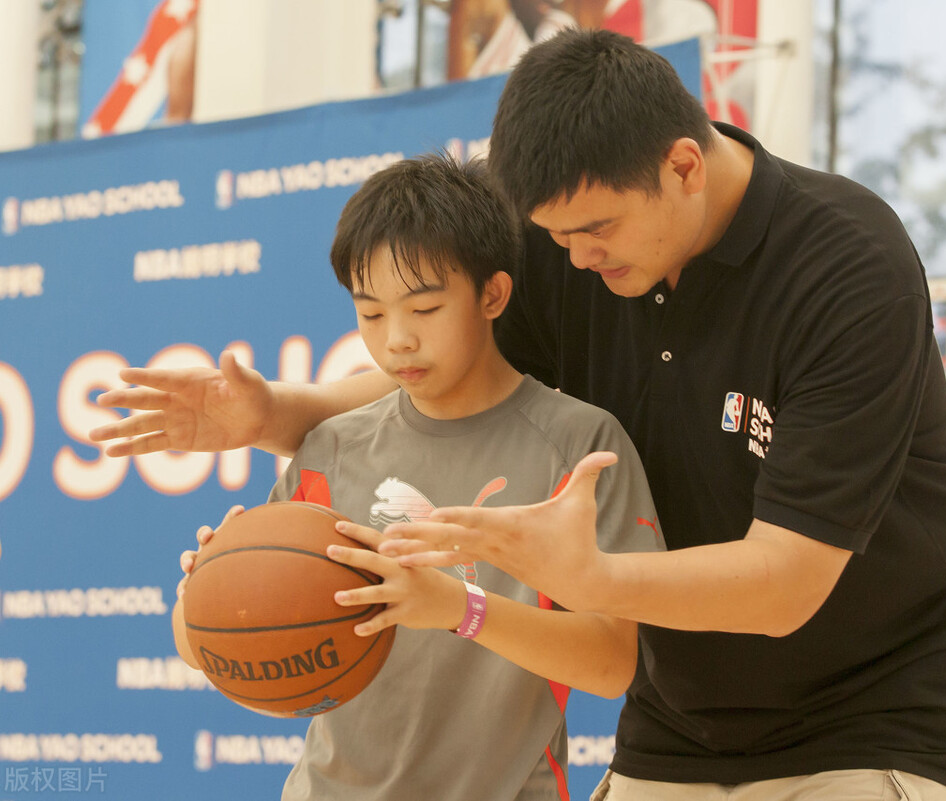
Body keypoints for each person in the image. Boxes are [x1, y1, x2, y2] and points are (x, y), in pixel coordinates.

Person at [92, 30, 946, 801]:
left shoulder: (844, 266)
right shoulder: (560, 240)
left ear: (684, 166)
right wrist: (278, 411)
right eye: (553, 238)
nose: (575, 261)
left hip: (890, 692)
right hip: (686, 709)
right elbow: (444, 365)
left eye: (596, 231)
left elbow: (786, 582)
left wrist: (585, 576)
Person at [168, 153, 662, 801]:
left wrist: (459, 607)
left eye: (424, 309)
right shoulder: (330, 448)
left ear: (493, 293)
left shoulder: (580, 444)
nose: (396, 339)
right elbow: (198, 644)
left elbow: (614, 662)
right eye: (370, 313)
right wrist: (211, 590)